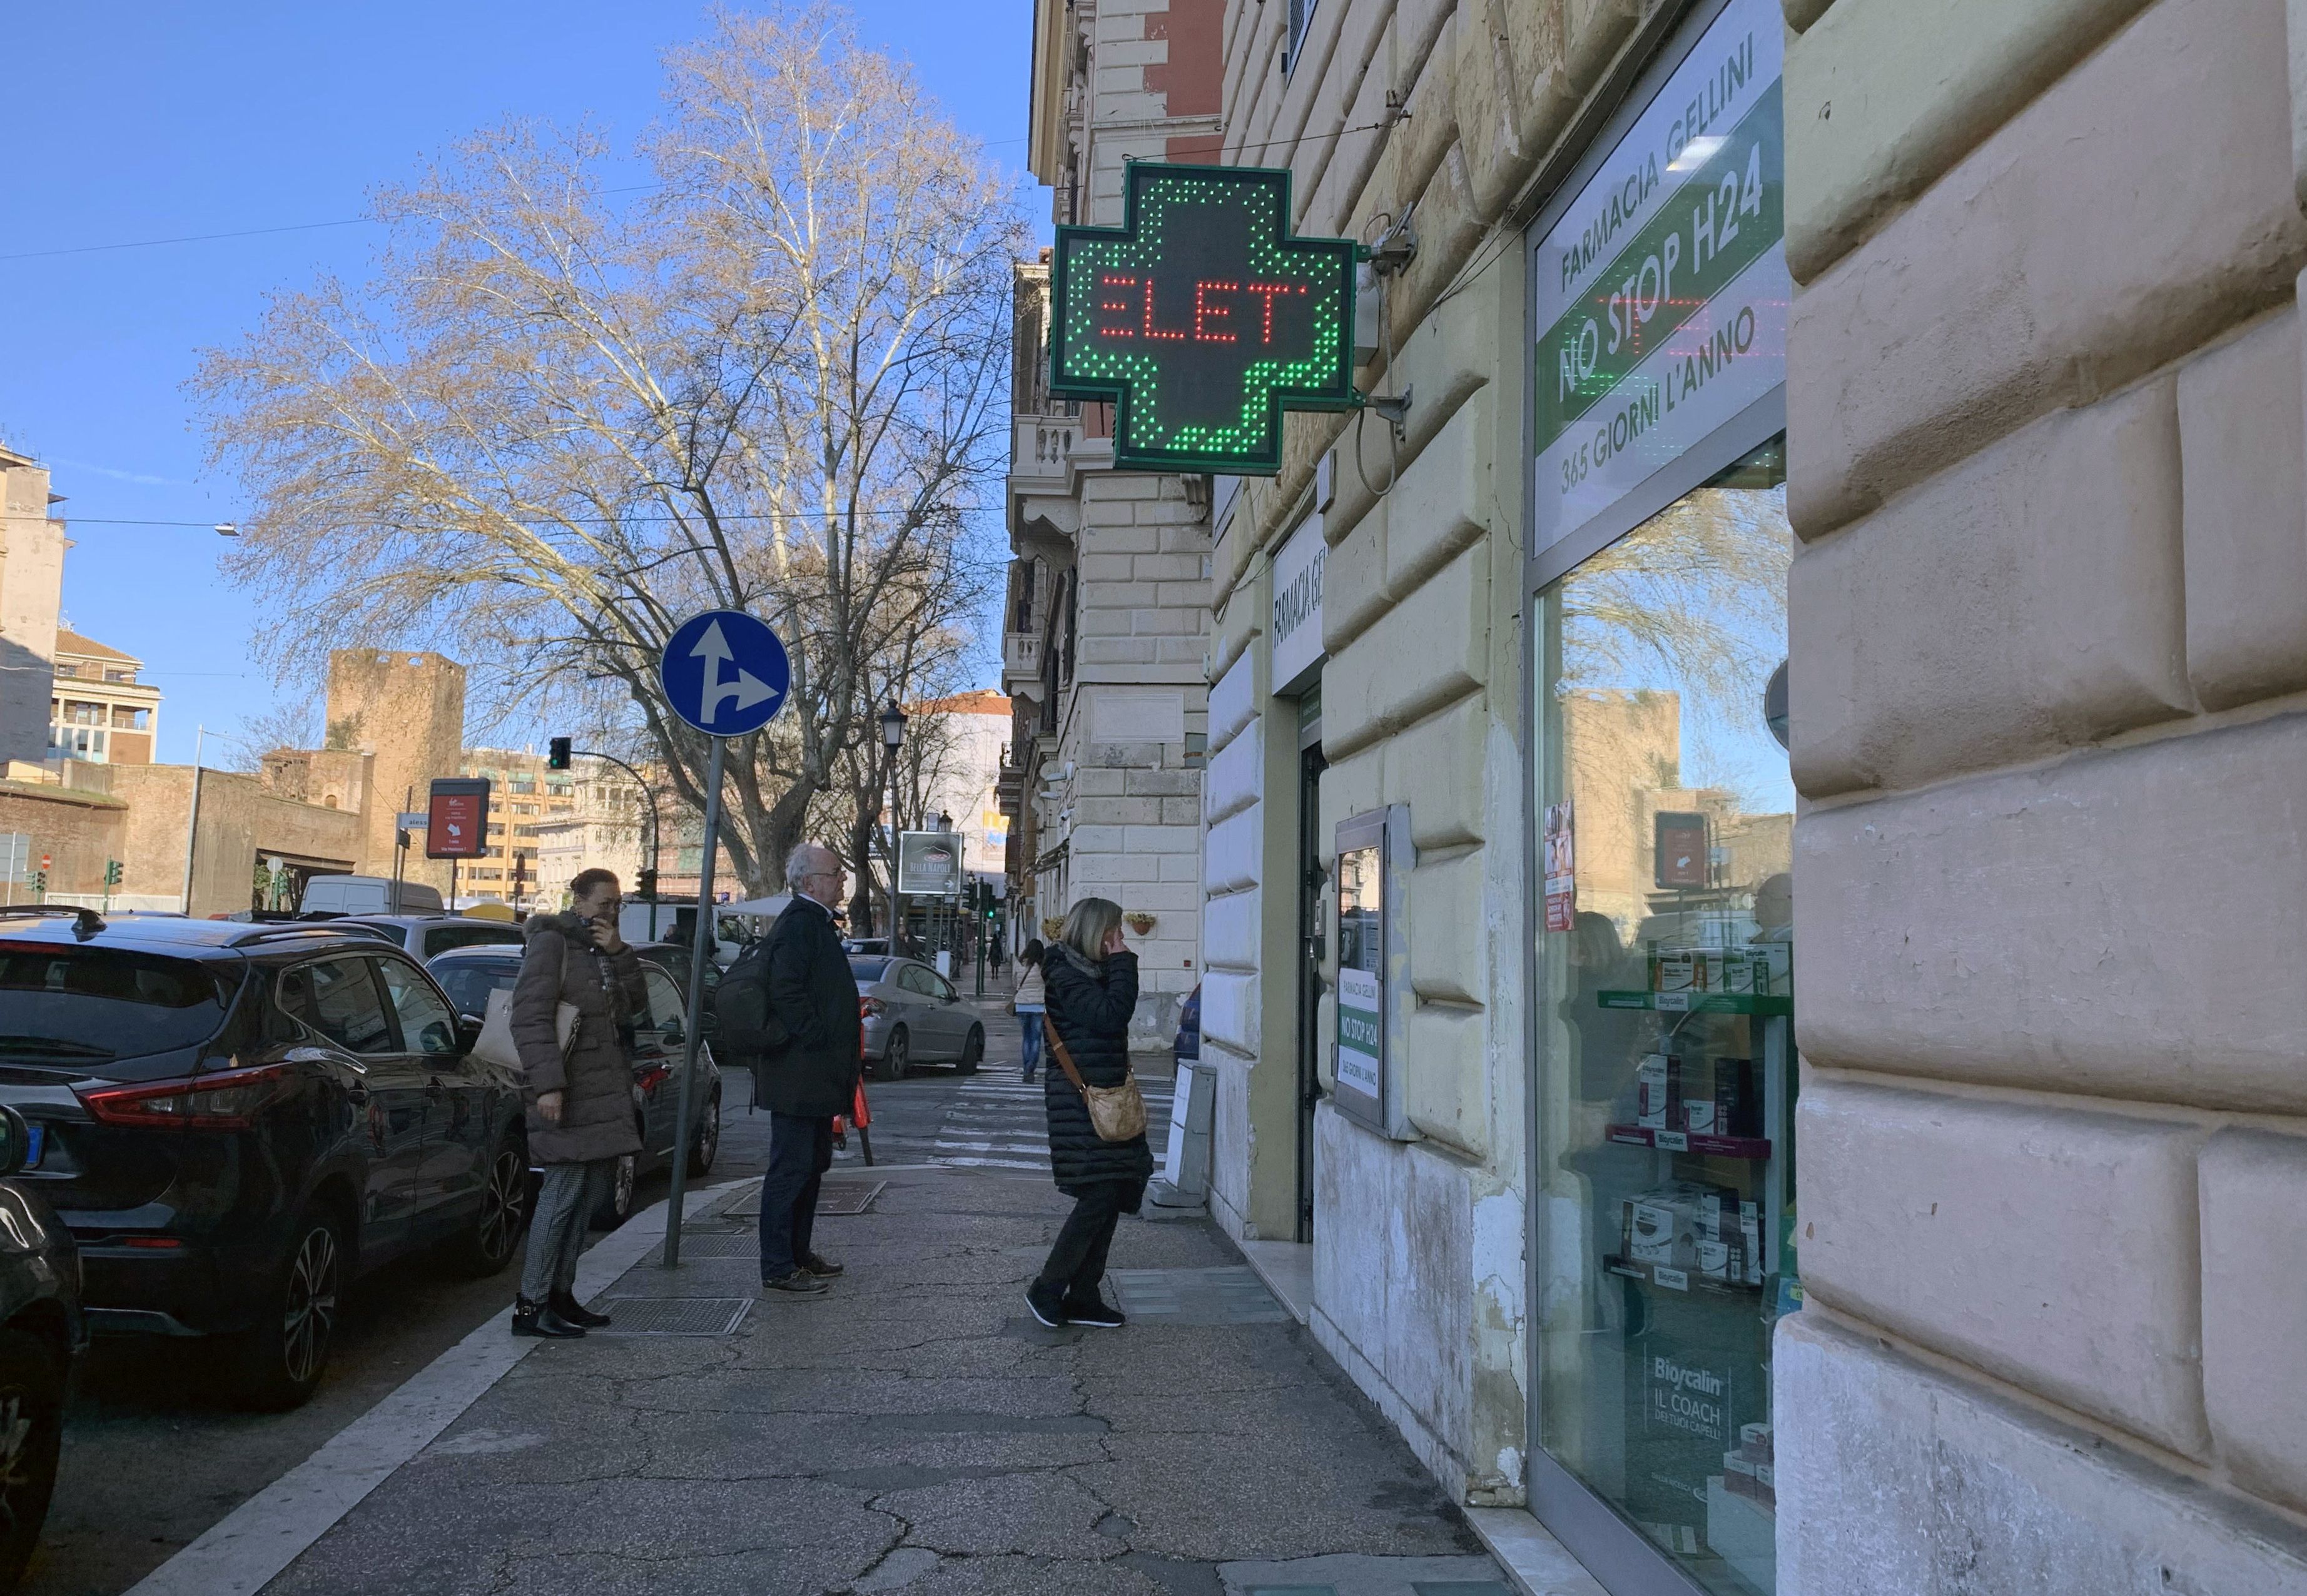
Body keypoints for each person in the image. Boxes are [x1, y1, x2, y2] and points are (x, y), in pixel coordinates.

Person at [717, 842, 861, 1296]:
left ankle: (799, 1255)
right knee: (791, 1170)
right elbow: (788, 990)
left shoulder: (813, 923)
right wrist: (817, 1035)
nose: (843, 880)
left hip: (813, 1073)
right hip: (801, 1072)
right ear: (809, 882)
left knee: (811, 1166)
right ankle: (779, 1265)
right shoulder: (800, 923)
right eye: (836, 873)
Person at [510, 867, 646, 1338]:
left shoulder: (603, 949)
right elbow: (529, 1016)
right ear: (579, 901)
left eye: (617, 905)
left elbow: (635, 1008)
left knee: (587, 1196)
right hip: (567, 1091)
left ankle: (561, 1295)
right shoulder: (552, 943)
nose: (611, 912)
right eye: (604, 903)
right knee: (561, 1193)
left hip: (602, 1091)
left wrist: (620, 954)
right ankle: (531, 1305)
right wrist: (548, 1084)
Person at [1027, 899, 1150, 1330]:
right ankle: (1048, 1287)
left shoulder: (1091, 973)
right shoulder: (1065, 973)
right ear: (1097, 933)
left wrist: (1117, 965)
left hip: (1105, 1101)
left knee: (1112, 1193)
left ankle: (1084, 1295)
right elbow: (1111, 1015)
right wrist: (1124, 963)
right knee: (1098, 1196)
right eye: (1115, 933)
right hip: (1081, 1105)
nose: (1120, 940)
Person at [1010, 938, 1048, 1083]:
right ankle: (1032, 1066)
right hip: (1038, 1005)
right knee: (1037, 1039)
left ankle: (1027, 1068)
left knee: (1026, 1038)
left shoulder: (1019, 963)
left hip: (1022, 1005)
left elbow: (1014, 982)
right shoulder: (1043, 965)